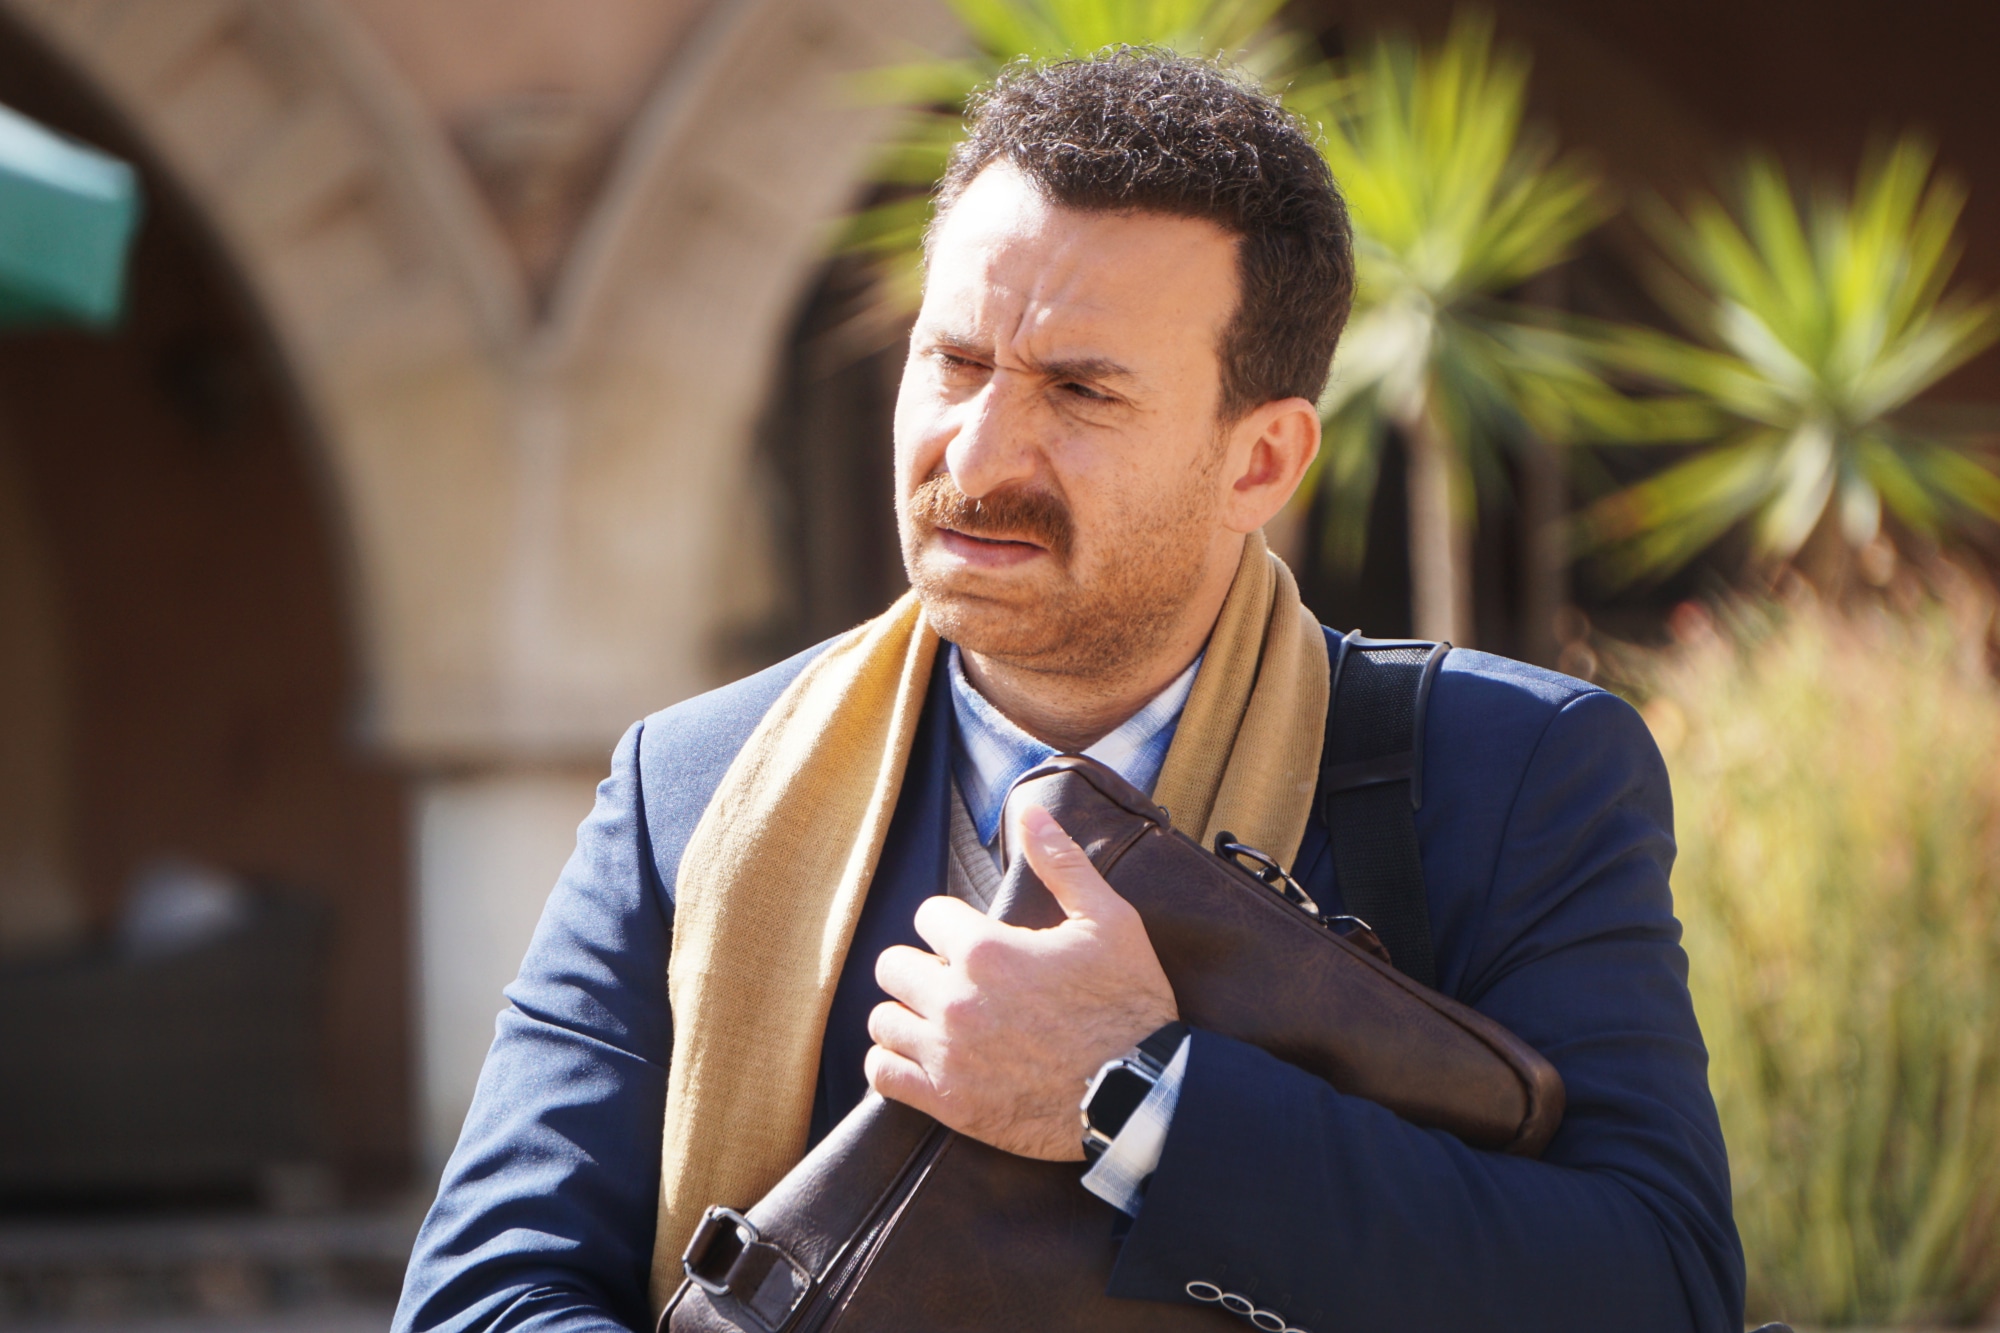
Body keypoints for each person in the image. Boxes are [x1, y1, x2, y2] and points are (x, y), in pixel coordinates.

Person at [394, 50, 1744, 1333]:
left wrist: (1136, 1097)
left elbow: (1657, 1285)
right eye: (954, 362)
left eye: (1082, 391)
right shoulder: (693, 784)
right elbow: (479, 1295)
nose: (979, 455)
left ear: (1263, 463)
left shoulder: (1513, 774)